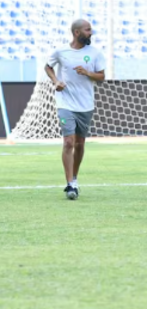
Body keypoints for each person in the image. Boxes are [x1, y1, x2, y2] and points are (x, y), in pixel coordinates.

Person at [44, 18, 105, 200]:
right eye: (87, 30)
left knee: (79, 144)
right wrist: (56, 82)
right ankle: (70, 184)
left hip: (85, 105)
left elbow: (101, 77)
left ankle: (75, 178)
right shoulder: (61, 52)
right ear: (77, 32)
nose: (91, 33)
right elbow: (48, 67)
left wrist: (87, 73)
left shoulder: (95, 53)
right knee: (69, 142)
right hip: (65, 103)